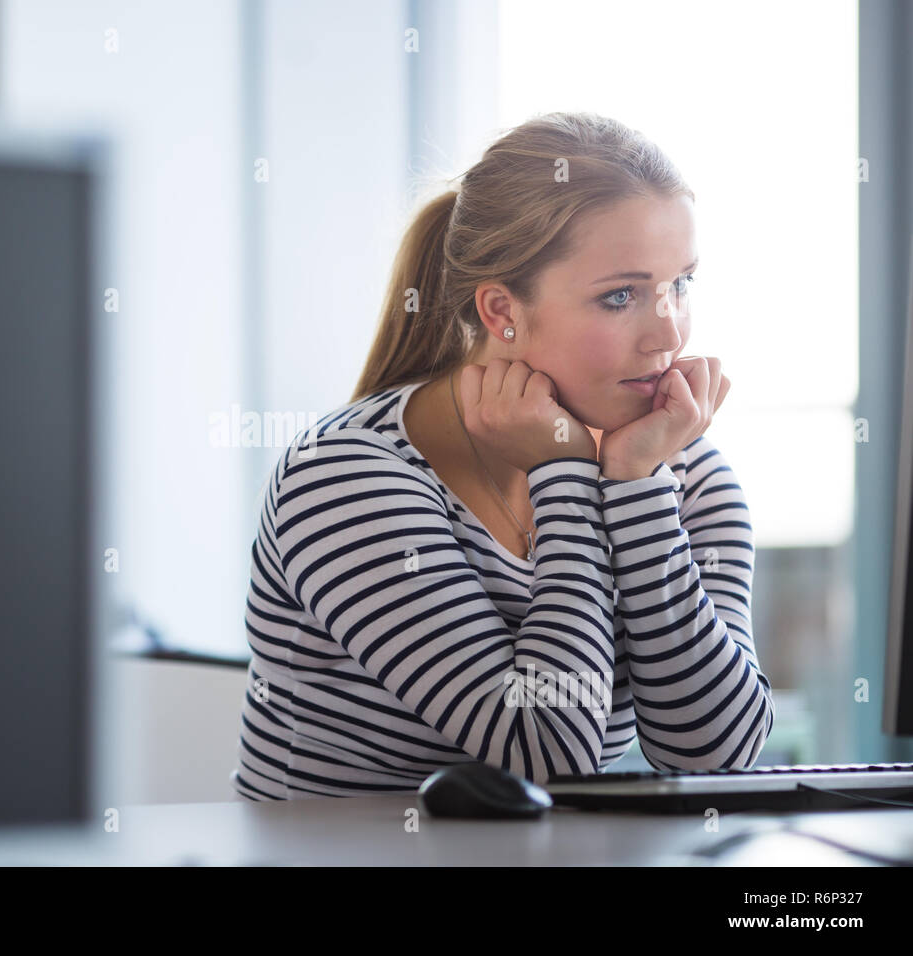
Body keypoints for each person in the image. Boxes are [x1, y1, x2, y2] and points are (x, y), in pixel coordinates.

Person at [229, 111, 773, 801]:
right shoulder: (345, 477)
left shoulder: (679, 470)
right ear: (500, 312)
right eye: (621, 296)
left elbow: (715, 757)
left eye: (681, 284)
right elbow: (546, 760)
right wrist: (566, 476)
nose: (667, 331)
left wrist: (637, 488)